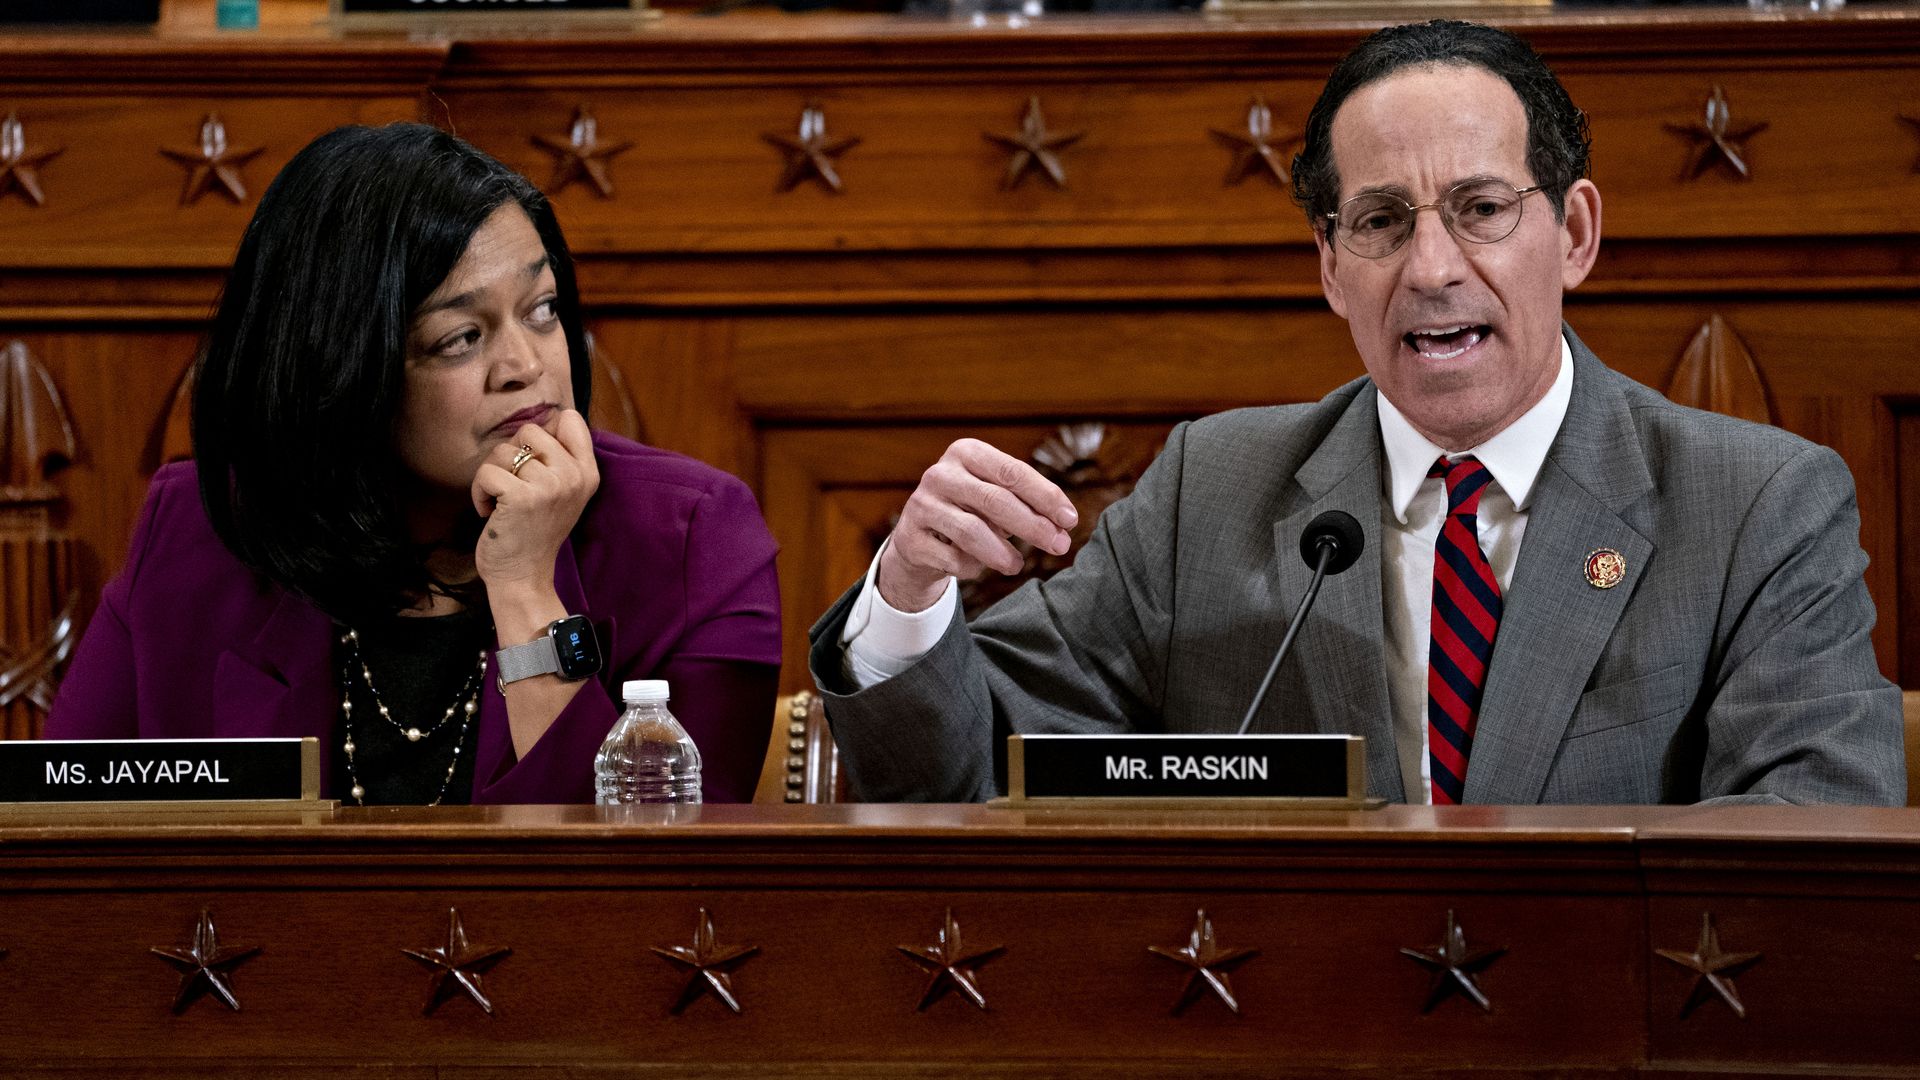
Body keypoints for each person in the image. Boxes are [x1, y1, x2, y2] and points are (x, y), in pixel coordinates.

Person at [807, 21, 1905, 806]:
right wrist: (907, 596)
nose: (1432, 268)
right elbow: (965, 776)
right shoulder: (1214, 491)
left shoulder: (1758, 506)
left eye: (1479, 209)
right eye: (1381, 221)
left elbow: (1811, 854)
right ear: (1331, 266)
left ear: (1572, 233)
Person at [45, 123, 782, 804]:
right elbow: (56, 833)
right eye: (462, 337)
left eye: (543, 309)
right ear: (339, 371)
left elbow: (658, 899)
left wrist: (526, 587)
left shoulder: (694, 540)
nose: (525, 366)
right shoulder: (201, 534)